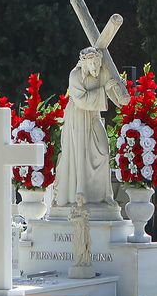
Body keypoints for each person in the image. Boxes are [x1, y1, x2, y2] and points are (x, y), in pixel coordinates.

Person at [51, 47, 126, 217]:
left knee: (104, 152)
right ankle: (80, 193)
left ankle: (104, 195)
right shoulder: (75, 75)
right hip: (78, 116)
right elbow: (81, 100)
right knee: (81, 154)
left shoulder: (101, 72)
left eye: (97, 64)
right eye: (92, 64)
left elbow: (112, 93)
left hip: (93, 116)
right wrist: (104, 89)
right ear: (84, 63)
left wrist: (120, 95)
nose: (95, 68)